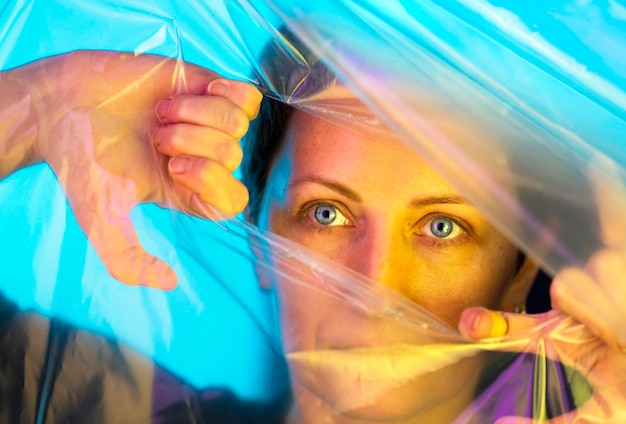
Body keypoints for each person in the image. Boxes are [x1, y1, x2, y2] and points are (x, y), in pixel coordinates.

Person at [1, 51, 625, 422]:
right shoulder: (104, 407)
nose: (372, 284)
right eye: (325, 213)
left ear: (518, 273)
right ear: (263, 243)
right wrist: (31, 105)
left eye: (444, 227)